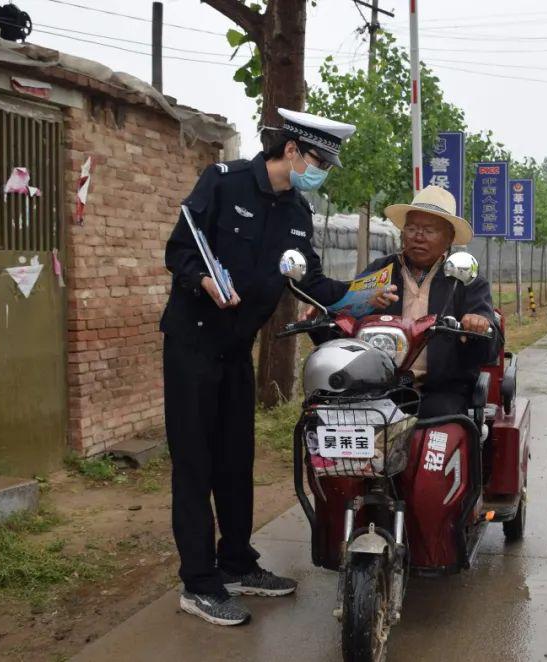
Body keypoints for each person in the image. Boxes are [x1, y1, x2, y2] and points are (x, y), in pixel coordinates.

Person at [161, 108, 395, 627]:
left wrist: (362, 295)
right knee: (196, 465)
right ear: (291, 151)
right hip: (192, 346)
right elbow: (179, 251)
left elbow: (309, 283)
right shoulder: (223, 183)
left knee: (235, 459)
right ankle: (199, 584)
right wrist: (202, 281)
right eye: (319, 162)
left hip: (234, 350)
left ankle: (238, 563)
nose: (322, 173)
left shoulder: (296, 212)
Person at [363, 185, 501, 417]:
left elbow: (490, 345)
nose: (418, 236)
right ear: (402, 232)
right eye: (412, 228)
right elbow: (347, 319)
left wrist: (479, 324)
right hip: (380, 387)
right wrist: (339, 311)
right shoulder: (380, 272)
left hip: (442, 391)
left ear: (449, 238)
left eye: (429, 230)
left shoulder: (465, 277)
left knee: (441, 433)